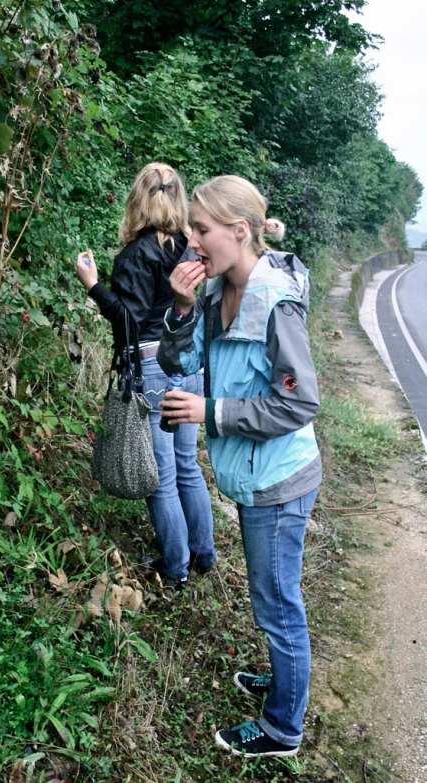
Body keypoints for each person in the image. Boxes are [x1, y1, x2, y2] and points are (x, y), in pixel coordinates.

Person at [157, 174, 322, 757]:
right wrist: (180, 305)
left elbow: (301, 402)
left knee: (276, 604)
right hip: (255, 475)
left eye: (201, 230)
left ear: (240, 231)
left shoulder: (275, 305)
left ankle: (283, 728)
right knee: (271, 597)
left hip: (280, 479)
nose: (192, 242)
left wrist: (212, 412)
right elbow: (180, 360)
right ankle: (284, 679)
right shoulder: (214, 292)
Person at [75, 162, 216, 597]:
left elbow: (129, 325)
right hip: (191, 365)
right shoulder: (192, 250)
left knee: (162, 477)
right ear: (178, 199)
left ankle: (175, 568)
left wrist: (94, 285)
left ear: (137, 199)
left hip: (153, 369)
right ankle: (203, 554)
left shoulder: (135, 256)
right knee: (188, 467)